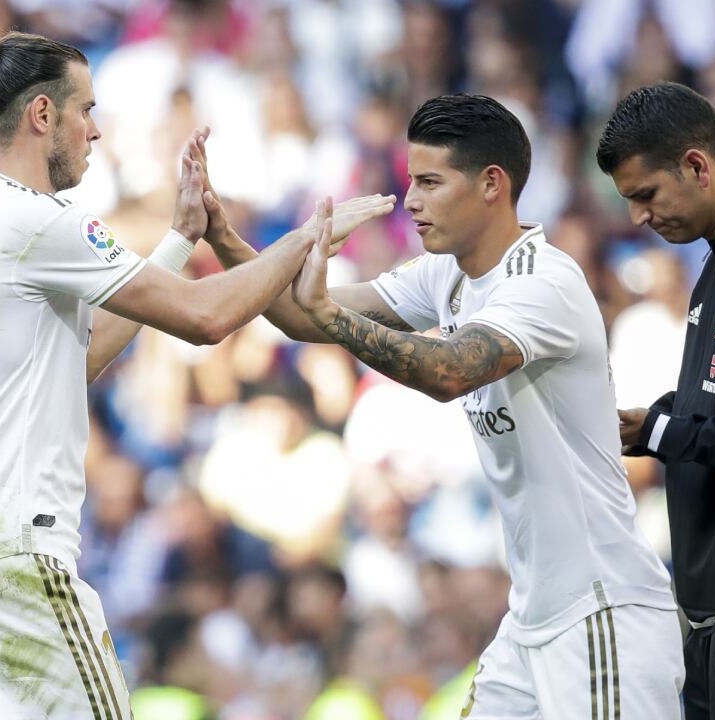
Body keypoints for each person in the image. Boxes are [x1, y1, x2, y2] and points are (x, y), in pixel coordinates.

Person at [0, 24, 395, 720]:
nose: (95, 131)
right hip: (13, 557)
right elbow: (206, 318)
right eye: (85, 110)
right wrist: (305, 240)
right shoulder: (40, 220)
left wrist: (180, 240)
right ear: (42, 115)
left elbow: (74, 360)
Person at [198, 94, 683, 718]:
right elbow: (299, 316)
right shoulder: (444, 274)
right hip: (532, 617)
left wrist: (330, 315)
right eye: (410, 182)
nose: (411, 202)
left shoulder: (543, 282)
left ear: (491, 183)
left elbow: (449, 370)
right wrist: (224, 237)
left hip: (602, 611)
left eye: (429, 182)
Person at [598, 81, 715, 720]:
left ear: (697, 166)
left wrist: (662, 433)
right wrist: (648, 422)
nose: (639, 218)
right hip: (713, 631)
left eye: (646, 195)